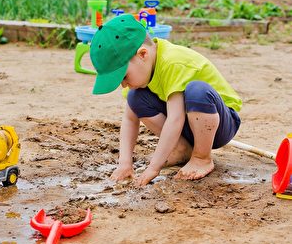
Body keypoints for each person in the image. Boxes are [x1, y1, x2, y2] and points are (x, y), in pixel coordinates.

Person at [90, 14, 242, 187]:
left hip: (220, 124)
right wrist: (125, 163)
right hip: (188, 125)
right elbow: (129, 119)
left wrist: (154, 168)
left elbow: (175, 119)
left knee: (197, 91)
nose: (123, 85)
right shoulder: (143, 72)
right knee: (135, 97)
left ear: (143, 54)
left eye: (124, 77)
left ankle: (201, 157)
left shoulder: (172, 62)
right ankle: (182, 149)